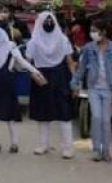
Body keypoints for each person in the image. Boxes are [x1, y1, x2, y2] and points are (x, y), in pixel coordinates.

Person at [0, 25, 46, 154]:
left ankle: (14, 143)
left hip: (6, 85)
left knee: (9, 115)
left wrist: (36, 72)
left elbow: (22, 62)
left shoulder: (10, 47)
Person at [71, 20, 112, 162]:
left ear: (104, 31)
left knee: (106, 120)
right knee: (96, 117)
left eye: (95, 30)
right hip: (93, 88)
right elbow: (82, 68)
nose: (92, 33)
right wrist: (74, 83)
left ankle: (106, 150)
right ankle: (96, 150)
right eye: (92, 30)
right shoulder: (88, 48)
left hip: (109, 89)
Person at [26, 11, 76, 159]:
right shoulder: (33, 42)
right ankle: (43, 144)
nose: (49, 24)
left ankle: (68, 147)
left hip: (60, 77)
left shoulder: (62, 39)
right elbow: (27, 63)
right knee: (42, 112)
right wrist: (33, 75)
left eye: (51, 21)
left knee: (64, 112)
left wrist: (74, 80)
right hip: (40, 78)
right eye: (45, 21)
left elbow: (69, 61)